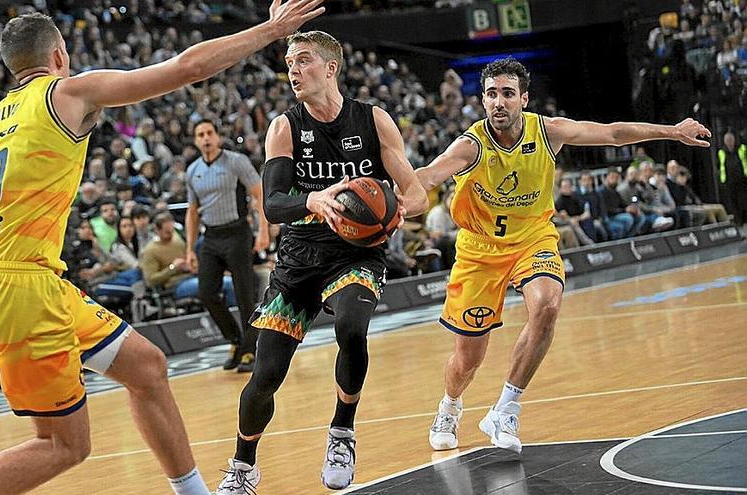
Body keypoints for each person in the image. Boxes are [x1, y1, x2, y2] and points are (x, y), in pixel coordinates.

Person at [0, 4, 326, 495]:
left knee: (147, 368)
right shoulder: (68, 91)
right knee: (64, 445)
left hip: (14, 280)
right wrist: (273, 31)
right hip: (23, 288)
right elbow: (188, 68)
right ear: (60, 54)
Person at [415, 57, 710, 456]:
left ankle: (505, 408)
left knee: (547, 305)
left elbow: (612, 133)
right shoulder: (470, 145)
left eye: (506, 94)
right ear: (482, 101)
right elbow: (430, 175)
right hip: (479, 252)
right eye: (490, 94)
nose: (498, 102)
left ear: (524, 98)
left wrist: (672, 132)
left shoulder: (548, 132)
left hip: (533, 239)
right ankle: (449, 405)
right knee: (467, 360)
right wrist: (393, 195)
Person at [216, 30, 428, 494]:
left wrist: (394, 209)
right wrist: (314, 199)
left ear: (331, 68)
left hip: (355, 255)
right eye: (289, 61)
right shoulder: (284, 127)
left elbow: (416, 192)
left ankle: (342, 432)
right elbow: (272, 205)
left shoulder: (374, 121)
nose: (293, 69)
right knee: (265, 376)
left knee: (351, 326)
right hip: (299, 260)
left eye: (304, 60)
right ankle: (243, 463)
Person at [185, 119, 269, 373]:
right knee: (207, 293)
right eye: (201, 134)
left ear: (218, 136)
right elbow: (192, 211)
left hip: (237, 232)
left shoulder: (236, 161)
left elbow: (258, 193)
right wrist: (189, 248)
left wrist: (263, 230)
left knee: (245, 294)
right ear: (196, 140)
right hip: (210, 237)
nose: (206, 138)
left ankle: (250, 351)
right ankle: (236, 340)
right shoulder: (192, 170)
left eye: (210, 133)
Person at [141, 212, 236, 310]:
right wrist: (172, 268)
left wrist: (191, 265)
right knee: (224, 284)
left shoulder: (177, 240)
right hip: (175, 286)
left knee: (229, 280)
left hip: (192, 276)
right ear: (157, 230)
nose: (170, 234)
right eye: (167, 232)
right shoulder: (150, 251)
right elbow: (151, 280)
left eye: (172, 230)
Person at [717, 130, 747, 226]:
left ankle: (745, 219)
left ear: (734, 140)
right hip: (729, 181)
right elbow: (720, 166)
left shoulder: (742, 148)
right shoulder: (721, 152)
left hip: (742, 180)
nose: (729, 142)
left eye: (731, 139)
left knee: (743, 200)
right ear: (725, 141)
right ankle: (738, 221)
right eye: (727, 140)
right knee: (732, 202)